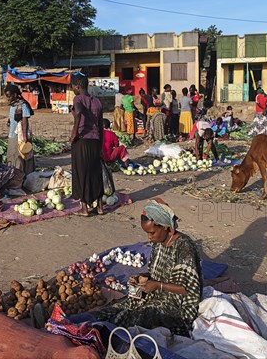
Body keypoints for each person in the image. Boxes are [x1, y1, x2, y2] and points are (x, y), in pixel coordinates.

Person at [92, 198, 203, 336]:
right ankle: (86, 325)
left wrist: (157, 285)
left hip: (177, 304)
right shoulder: (159, 241)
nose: (149, 237)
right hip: (157, 293)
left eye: (152, 233)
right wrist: (144, 277)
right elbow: (156, 272)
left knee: (132, 318)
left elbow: (189, 289)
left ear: (164, 227)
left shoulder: (184, 248)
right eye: (147, 233)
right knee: (116, 309)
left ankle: (100, 335)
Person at [69, 73, 104, 217]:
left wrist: (74, 133)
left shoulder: (78, 98)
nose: (72, 90)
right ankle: (100, 206)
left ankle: (84, 208)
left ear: (77, 86)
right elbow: (101, 125)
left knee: (81, 173)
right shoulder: (97, 101)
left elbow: (77, 112)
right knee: (96, 172)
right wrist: (101, 145)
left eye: (72, 87)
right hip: (95, 140)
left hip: (82, 140)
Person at [5, 84, 35, 176]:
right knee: (12, 156)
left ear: (14, 94)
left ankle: (22, 176)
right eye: (7, 96)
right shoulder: (13, 105)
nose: (8, 98)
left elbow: (24, 119)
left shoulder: (23, 105)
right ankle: (14, 175)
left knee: (21, 157)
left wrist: (25, 136)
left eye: (9, 96)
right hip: (12, 134)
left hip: (20, 136)